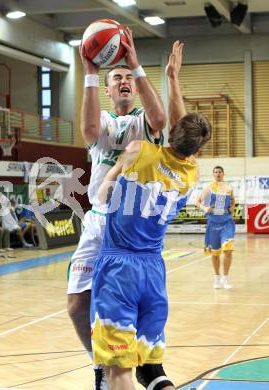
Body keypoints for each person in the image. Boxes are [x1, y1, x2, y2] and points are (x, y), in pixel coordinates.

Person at [89, 41, 211, 390]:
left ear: (170, 134)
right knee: (153, 372)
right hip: (154, 271)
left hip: (119, 268)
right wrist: (173, 80)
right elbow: (181, 131)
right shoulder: (190, 174)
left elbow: (101, 195)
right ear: (196, 150)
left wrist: (113, 178)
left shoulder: (139, 150)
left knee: (119, 372)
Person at [67, 26, 166, 389]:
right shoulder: (105, 122)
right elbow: (90, 128)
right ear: (108, 89)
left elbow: (160, 121)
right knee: (78, 306)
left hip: (130, 226)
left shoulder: (143, 122)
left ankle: (134, 368)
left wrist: (136, 66)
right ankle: (99, 364)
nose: (124, 81)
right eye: (117, 77)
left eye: (127, 77)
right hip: (97, 221)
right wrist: (90, 72)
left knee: (129, 311)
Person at [196, 166, 235, 289]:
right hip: (213, 224)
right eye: (216, 172)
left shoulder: (229, 187)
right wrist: (204, 208)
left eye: (220, 172)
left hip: (227, 223)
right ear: (213, 174)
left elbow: (233, 201)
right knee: (215, 254)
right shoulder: (208, 187)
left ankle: (225, 278)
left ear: (223, 173)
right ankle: (217, 277)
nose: (218, 174)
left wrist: (233, 207)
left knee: (228, 250)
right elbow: (197, 202)